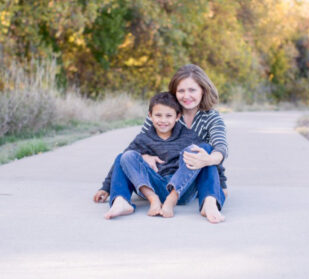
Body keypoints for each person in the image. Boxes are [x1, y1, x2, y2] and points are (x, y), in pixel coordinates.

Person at [94, 64, 228, 222]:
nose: (186, 95)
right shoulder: (162, 112)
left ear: (203, 90)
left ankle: (209, 202)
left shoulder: (211, 118)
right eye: (181, 91)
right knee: (124, 157)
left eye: (192, 90)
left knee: (203, 150)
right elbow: (132, 151)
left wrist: (220, 184)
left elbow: (219, 148)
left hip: (187, 181)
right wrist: (107, 185)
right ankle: (120, 200)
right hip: (157, 177)